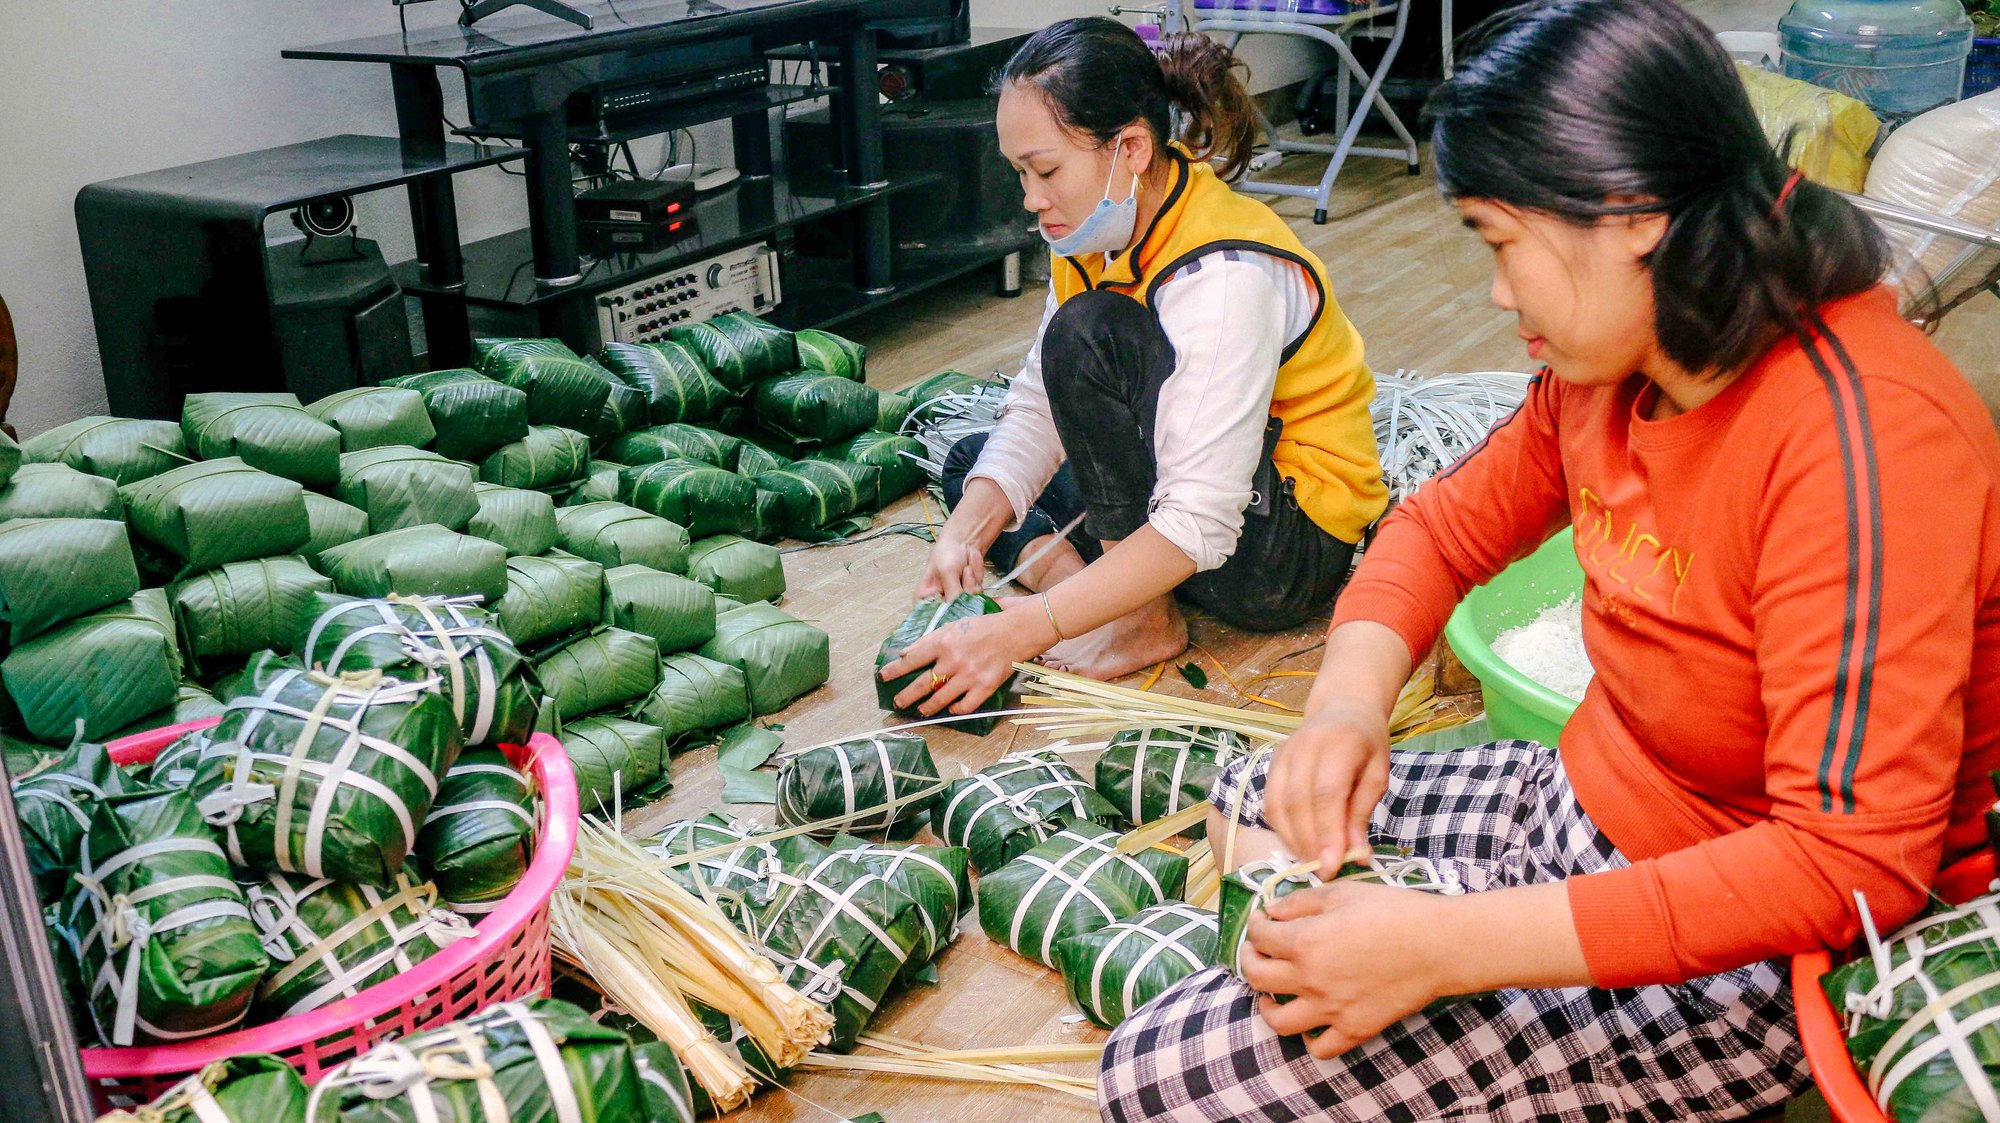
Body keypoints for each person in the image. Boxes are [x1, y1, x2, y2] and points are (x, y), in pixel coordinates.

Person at [1096, 1, 2000, 1120]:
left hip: (1747, 947)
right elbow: (1435, 530)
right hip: (1585, 804)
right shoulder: (1614, 362)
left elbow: (1843, 863)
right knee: (1261, 792)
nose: (1494, 291)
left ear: (1624, 216)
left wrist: (1450, 944)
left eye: (1497, 240)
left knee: (1153, 1077)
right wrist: (1342, 711)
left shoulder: (1866, 440)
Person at [878, 18, 1387, 716]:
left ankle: (1140, 613)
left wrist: (1022, 629)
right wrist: (962, 535)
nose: (1031, 198)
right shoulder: (1094, 228)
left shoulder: (1225, 273)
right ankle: (1112, 590)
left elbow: (1204, 518)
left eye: (1047, 170)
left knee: (1086, 336)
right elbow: (1039, 407)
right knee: (977, 465)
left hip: (1281, 549)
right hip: (1191, 509)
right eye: (1020, 172)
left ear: (1132, 149)